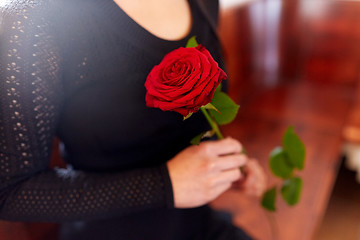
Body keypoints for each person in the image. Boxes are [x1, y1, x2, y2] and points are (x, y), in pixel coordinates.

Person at [0, 0, 266, 239]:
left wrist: (223, 166)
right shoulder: (33, 18)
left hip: (197, 224)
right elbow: (11, 192)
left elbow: (175, 127)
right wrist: (165, 184)